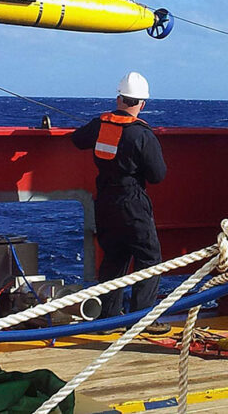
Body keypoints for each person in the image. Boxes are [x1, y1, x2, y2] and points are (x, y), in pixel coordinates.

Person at [71, 71, 170, 334]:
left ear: (118, 99)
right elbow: (157, 175)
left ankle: (108, 319)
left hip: (104, 201)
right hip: (132, 202)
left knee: (114, 257)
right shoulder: (142, 135)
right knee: (149, 258)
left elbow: (77, 139)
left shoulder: (99, 125)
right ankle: (141, 319)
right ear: (142, 104)